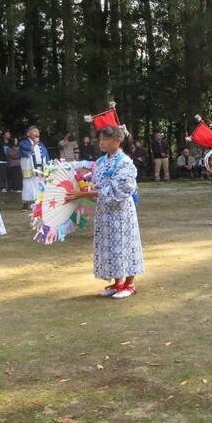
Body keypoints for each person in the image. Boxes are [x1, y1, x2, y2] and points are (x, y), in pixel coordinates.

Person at [64, 125, 144, 299]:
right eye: (100, 140)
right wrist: (80, 188)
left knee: (125, 244)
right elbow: (95, 184)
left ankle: (129, 284)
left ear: (118, 140)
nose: (102, 143)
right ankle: (118, 282)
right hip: (104, 212)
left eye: (106, 140)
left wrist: (85, 193)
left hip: (121, 212)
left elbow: (120, 190)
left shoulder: (125, 162)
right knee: (110, 246)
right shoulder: (101, 162)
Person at [19, 126, 49, 210]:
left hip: (40, 166)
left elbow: (45, 155)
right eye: (34, 131)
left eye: (37, 132)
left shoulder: (41, 144)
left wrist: (47, 164)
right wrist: (34, 143)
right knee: (28, 182)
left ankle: (39, 201)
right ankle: (26, 202)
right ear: (28, 134)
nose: (36, 133)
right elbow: (26, 152)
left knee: (40, 182)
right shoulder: (24, 143)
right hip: (29, 166)